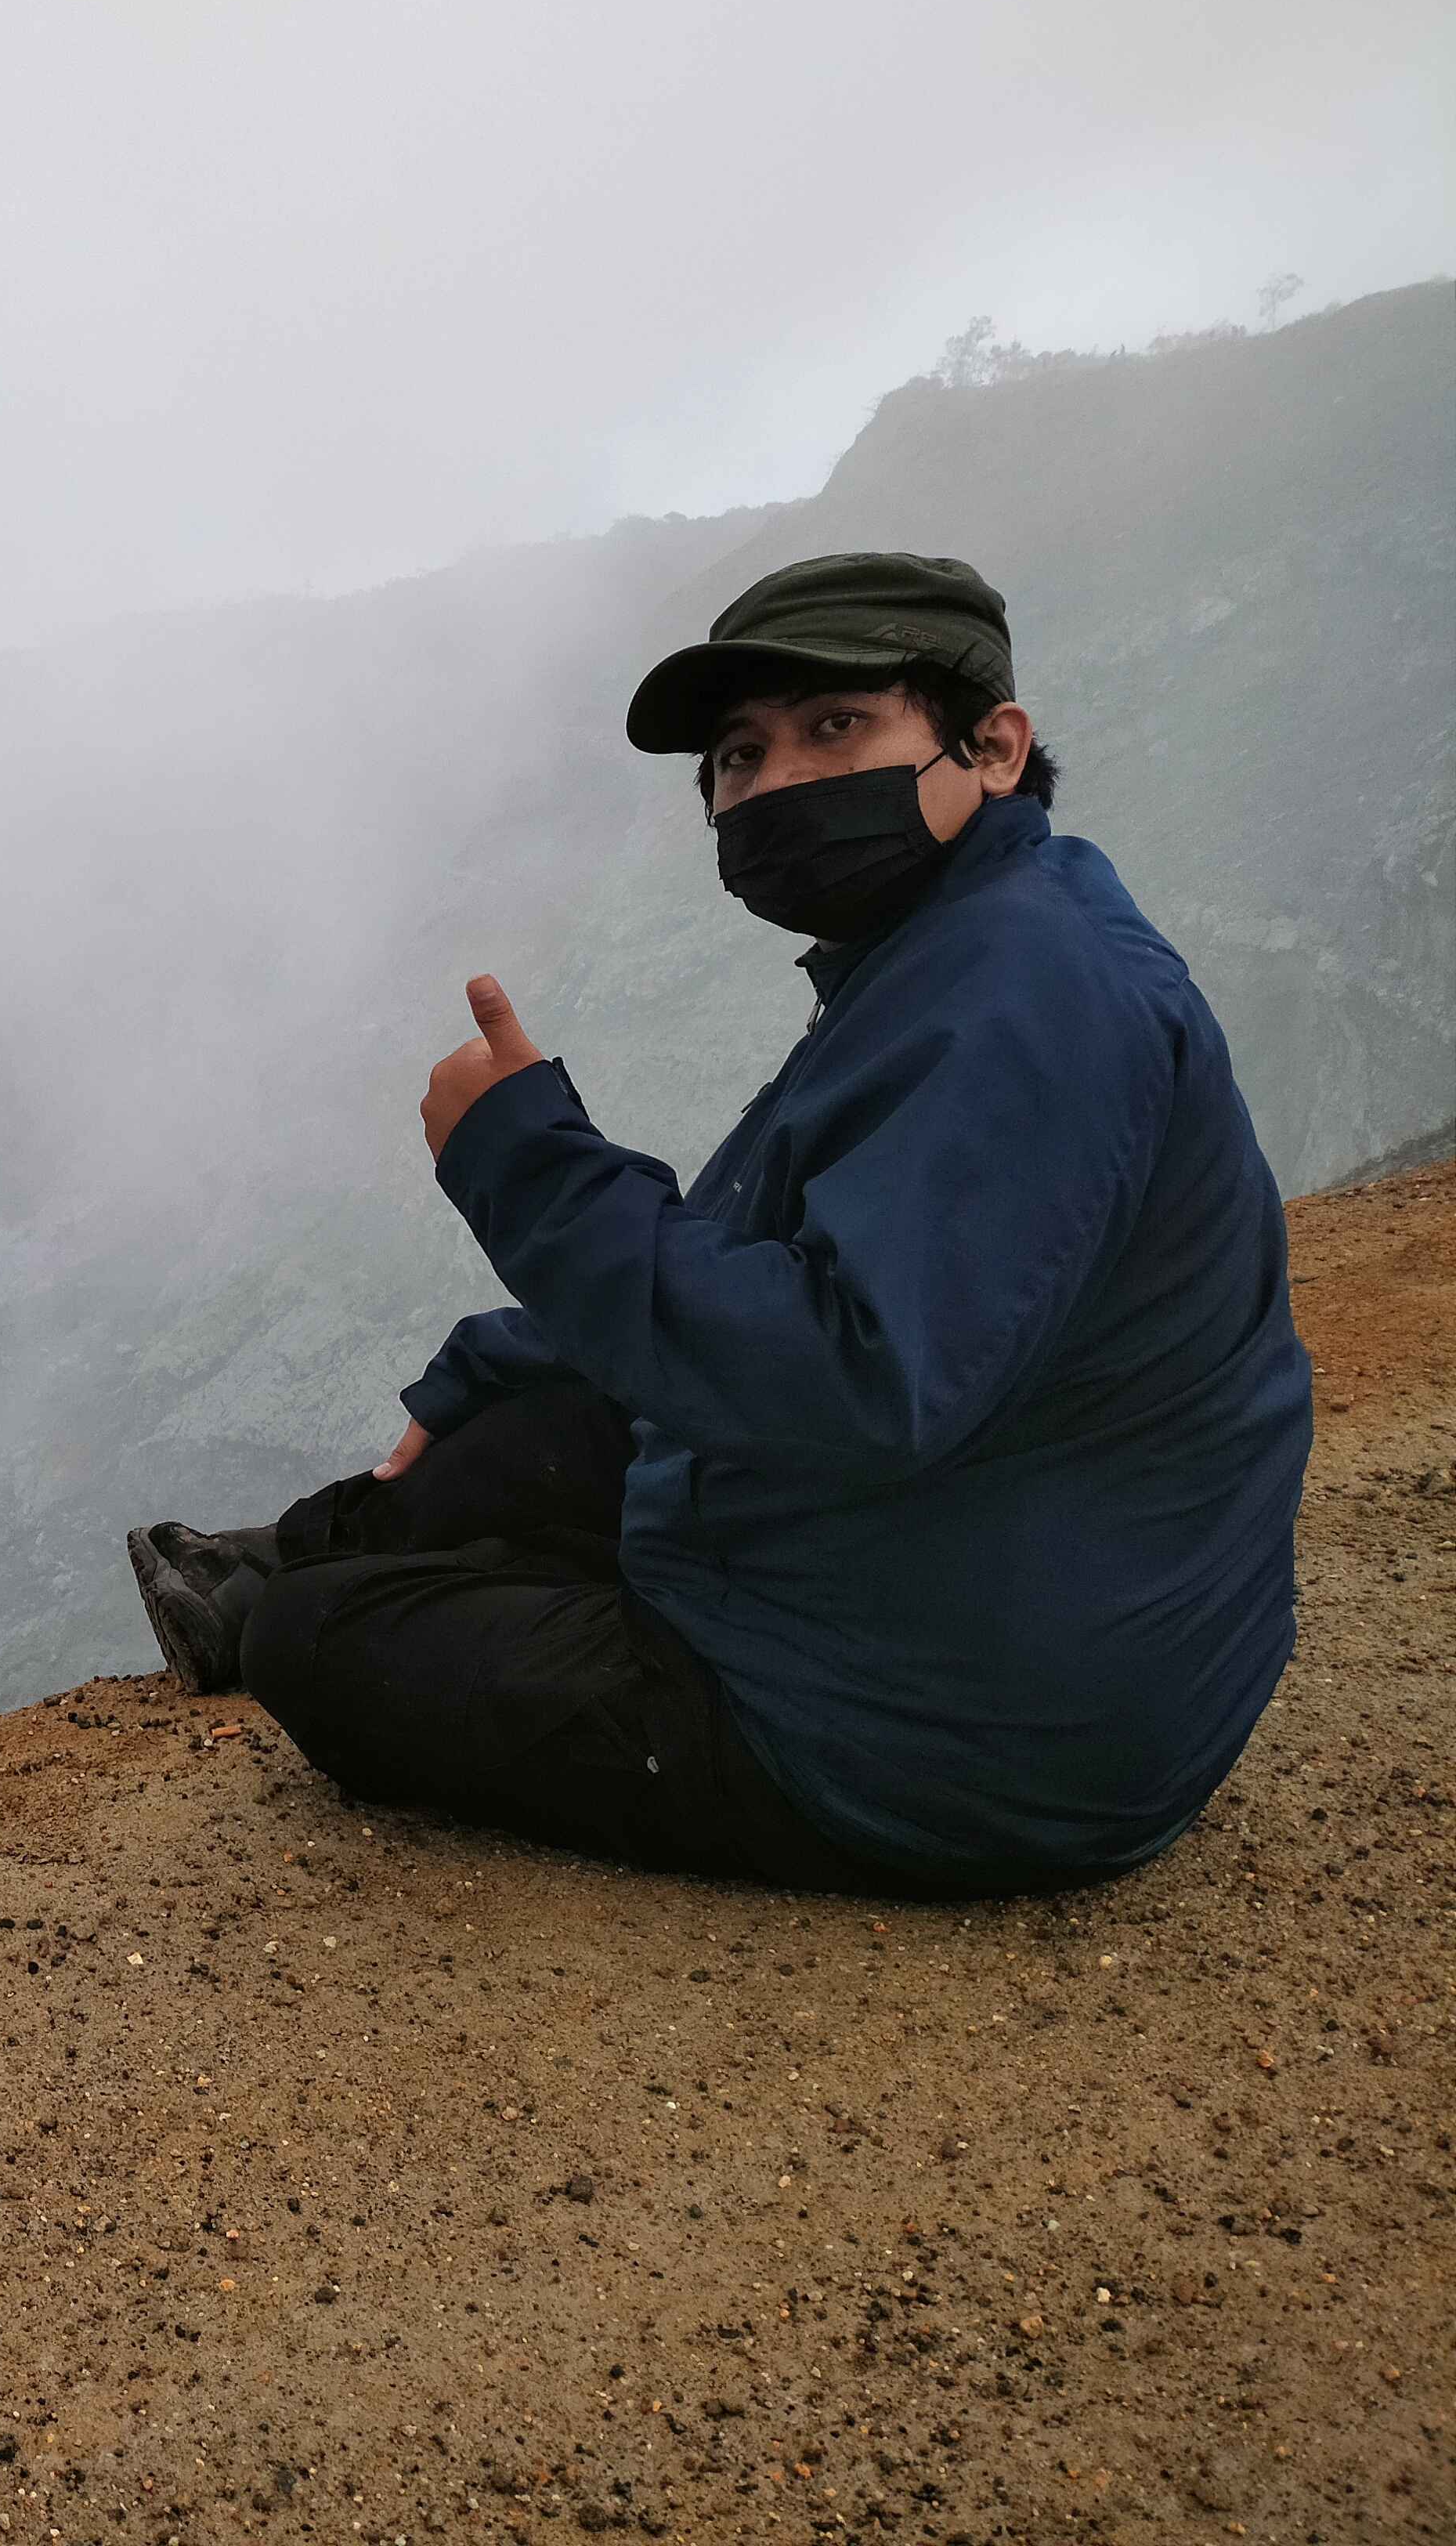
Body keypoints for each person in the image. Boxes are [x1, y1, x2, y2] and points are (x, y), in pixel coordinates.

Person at [128, 551, 1311, 1897]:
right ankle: (283, 1557)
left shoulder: (1026, 995)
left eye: (834, 728)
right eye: (741, 757)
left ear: (994, 746)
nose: (778, 782)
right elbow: (781, 1254)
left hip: (966, 1736)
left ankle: (295, 1598)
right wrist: (502, 1357)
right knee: (538, 1430)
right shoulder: (961, 945)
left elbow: (853, 1379)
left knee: (320, 1648)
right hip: (1004, 1579)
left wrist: (529, 1166)